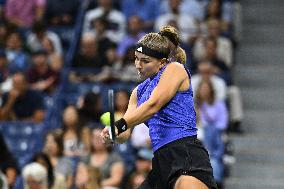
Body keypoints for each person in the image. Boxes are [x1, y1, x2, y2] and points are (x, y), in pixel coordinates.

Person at [101, 26, 217, 189]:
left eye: (145, 61)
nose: (138, 65)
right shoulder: (137, 92)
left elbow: (153, 105)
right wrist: (113, 134)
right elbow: (126, 133)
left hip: (185, 155)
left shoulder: (175, 69)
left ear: (162, 62)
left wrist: (120, 124)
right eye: (136, 58)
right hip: (161, 162)